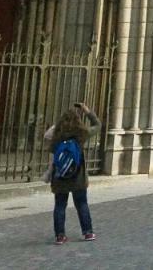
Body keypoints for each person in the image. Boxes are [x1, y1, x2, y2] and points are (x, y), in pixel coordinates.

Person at [45, 101, 99, 245]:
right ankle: (88, 232)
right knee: (82, 204)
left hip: (60, 177)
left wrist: (59, 124)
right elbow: (98, 125)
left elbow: (46, 135)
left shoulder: (56, 137)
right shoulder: (81, 134)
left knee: (60, 206)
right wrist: (87, 111)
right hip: (78, 177)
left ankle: (60, 236)